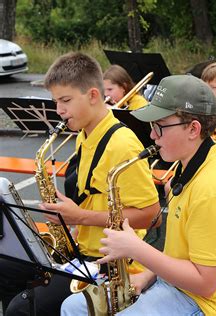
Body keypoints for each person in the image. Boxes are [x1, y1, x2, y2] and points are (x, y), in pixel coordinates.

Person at [61, 75, 216, 315]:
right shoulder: (188, 165)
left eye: (159, 126)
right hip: (173, 286)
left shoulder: (212, 188)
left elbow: (205, 283)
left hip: (207, 305)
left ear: (193, 128)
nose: (152, 136)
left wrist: (135, 249)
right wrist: (148, 276)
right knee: (73, 308)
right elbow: (182, 254)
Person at [0, 52, 160, 316]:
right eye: (55, 101)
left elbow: (151, 216)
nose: (59, 110)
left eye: (65, 101)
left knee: (22, 308)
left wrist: (81, 217)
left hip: (110, 263)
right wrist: (68, 221)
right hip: (80, 251)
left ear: (93, 96)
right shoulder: (85, 134)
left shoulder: (122, 144)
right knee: (5, 269)